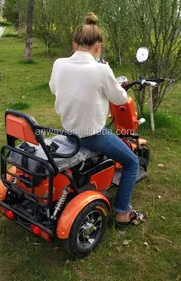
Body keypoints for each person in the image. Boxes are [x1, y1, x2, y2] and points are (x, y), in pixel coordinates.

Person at [49, 12, 146, 225]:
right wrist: (106, 69)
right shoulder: (102, 69)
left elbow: (54, 88)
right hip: (93, 136)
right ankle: (122, 213)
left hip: (68, 130)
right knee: (131, 162)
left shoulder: (59, 64)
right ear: (98, 46)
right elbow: (120, 98)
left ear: (74, 44)